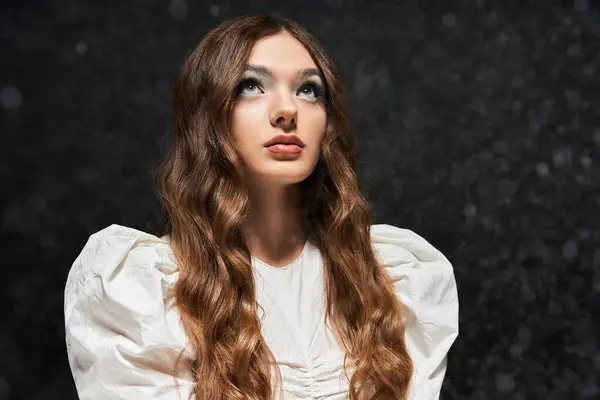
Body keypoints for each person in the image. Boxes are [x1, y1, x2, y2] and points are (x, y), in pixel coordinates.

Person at [63, 13, 459, 400]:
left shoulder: (396, 277)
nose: (287, 111)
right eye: (251, 86)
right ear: (209, 115)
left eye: (309, 90)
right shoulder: (144, 288)